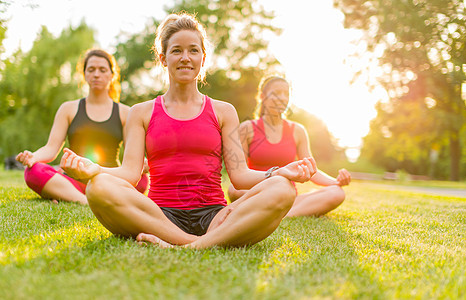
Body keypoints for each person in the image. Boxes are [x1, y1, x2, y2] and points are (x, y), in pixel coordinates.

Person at [60, 13, 317, 249]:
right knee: (98, 187)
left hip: (215, 216)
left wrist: (278, 172)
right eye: (177, 51)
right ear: (163, 58)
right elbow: (129, 174)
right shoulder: (142, 112)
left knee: (283, 188)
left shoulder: (223, 111)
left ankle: (189, 246)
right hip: (159, 216)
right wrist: (93, 170)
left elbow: (239, 176)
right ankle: (195, 243)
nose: (185, 57)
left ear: (203, 58)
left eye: (193, 50)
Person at [16, 49, 149, 205]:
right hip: (72, 178)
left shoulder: (126, 112)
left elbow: (131, 157)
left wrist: (143, 163)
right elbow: (51, 148)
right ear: (84, 74)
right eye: (91, 70)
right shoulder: (68, 109)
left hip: (108, 179)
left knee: (141, 179)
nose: (96, 74)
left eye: (102, 70)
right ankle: (84, 200)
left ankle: (64, 194)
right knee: (34, 171)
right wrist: (33, 157)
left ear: (112, 75)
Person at [228, 76, 351, 217]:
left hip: (286, 195)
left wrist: (335, 182)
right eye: (277, 93)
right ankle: (276, 210)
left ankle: (282, 213)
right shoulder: (247, 128)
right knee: (234, 190)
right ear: (262, 96)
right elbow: (240, 172)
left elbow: (311, 169)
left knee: (336, 193)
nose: (282, 98)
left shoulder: (298, 130)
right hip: (256, 192)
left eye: (286, 94)